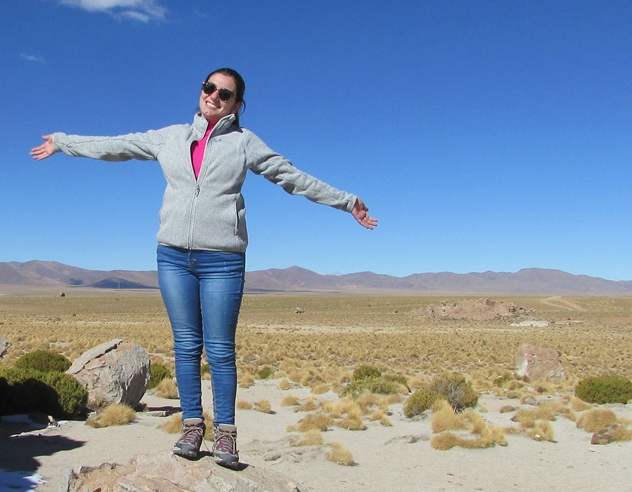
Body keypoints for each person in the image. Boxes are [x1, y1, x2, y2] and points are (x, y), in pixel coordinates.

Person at [31, 68, 376, 469]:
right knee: (185, 345)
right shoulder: (171, 137)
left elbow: (291, 176)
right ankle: (192, 427)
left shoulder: (244, 143)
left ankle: (226, 434)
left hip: (223, 260)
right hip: (173, 256)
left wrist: (346, 201)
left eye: (224, 93)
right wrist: (63, 142)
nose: (214, 96)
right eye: (209, 88)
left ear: (236, 105)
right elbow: (117, 145)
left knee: (220, 349)